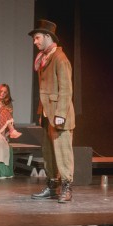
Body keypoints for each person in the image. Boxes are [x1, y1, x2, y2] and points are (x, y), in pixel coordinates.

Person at [29, 19, 75, 203]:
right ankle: (52, 186)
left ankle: (67, 187)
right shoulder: (44, 58)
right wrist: (42, 113)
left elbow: (66, 89)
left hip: (58, 114)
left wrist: (60, 114)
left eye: (37, 38)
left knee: (63, 152)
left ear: (48, 36)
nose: (35, 42)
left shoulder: (60, 58)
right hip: (48, 113)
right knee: (49, 153)